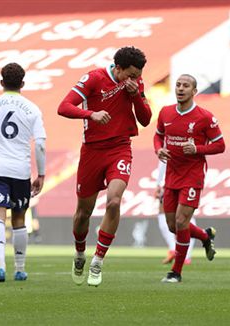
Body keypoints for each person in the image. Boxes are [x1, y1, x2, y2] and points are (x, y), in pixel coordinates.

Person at [58, 46, 152, 287]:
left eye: (138, 75)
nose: (135, 79)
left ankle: (98, 260)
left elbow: (145, 118)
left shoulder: (136, 84)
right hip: (92, 151)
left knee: (113, 201)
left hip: (120, 148)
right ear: (117, 68)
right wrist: (90, 114)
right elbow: (64, 107)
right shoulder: (93, 78)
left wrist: (134, 94)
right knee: (83, 214)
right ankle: (80, 253)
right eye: (130, 75)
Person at [154, 74, 225, 283]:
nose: (180, 88)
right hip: (171, 175)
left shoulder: (204, 117)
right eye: (178, 85)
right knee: (172, 226)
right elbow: (158, 136)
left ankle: (176, 272)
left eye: (186, 86)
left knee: (181, 221)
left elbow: (220, 145)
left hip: (192, 176)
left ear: (194, 91)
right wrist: (159, 150)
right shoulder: (165, 112)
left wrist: (197, 149)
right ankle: (205, 236)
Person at [0, 62, 46, 282]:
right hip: (21, 170)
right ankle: (19, 268)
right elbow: (40, 145)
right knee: (19, 219)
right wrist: (41, 174)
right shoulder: (32, 109)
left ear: (1, 82)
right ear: (22, 83)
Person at [155, 160, 195, 265]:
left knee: (166, 212)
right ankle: (185, 254)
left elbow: (163, 160)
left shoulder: (169, 144)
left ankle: (176, 250)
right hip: (190, 178)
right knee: (185, 214)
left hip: (174, 178)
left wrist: (158, 183)